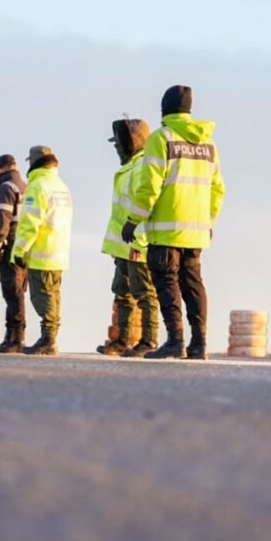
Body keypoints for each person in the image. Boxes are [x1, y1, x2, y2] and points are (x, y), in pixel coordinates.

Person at [123, 85, 224, 360]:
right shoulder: (208, 143)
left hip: (167, 230)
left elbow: (149, 187)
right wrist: (208, 221)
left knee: (167, 282)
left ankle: (175, 340)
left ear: (164, 109)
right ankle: (199, 343)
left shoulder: (161, 138)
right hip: (197, 231)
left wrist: (133, 220)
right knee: (193, 283)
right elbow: (218, 188)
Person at [98, 118, 160, 357]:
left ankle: (148, 341)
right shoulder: (129, 167)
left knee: (144, 292)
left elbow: (145, 205)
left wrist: (140, 242)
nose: (116, 148)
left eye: (119, 143)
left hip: (137, 244)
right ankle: (122, 341)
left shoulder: (142, 166)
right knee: (122, 292)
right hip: (121, 245)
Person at [11, 146, 73, 356]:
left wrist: (19, 250)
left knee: (42, 297)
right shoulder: (61, 185)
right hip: (59, 253)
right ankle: (50, 337)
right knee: (53, 296)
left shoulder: (38, 186)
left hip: (41, 252)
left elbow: (30, 222)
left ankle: (48, 339)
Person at [0, 155, 29, 354]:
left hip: (10, 246)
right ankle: (16, 336)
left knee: (12, 292)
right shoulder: (26, 187)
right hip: (26, 247)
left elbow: (1, 222)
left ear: (0, 170)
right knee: (19, 292)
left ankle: (15, 338)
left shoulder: (6, 188)